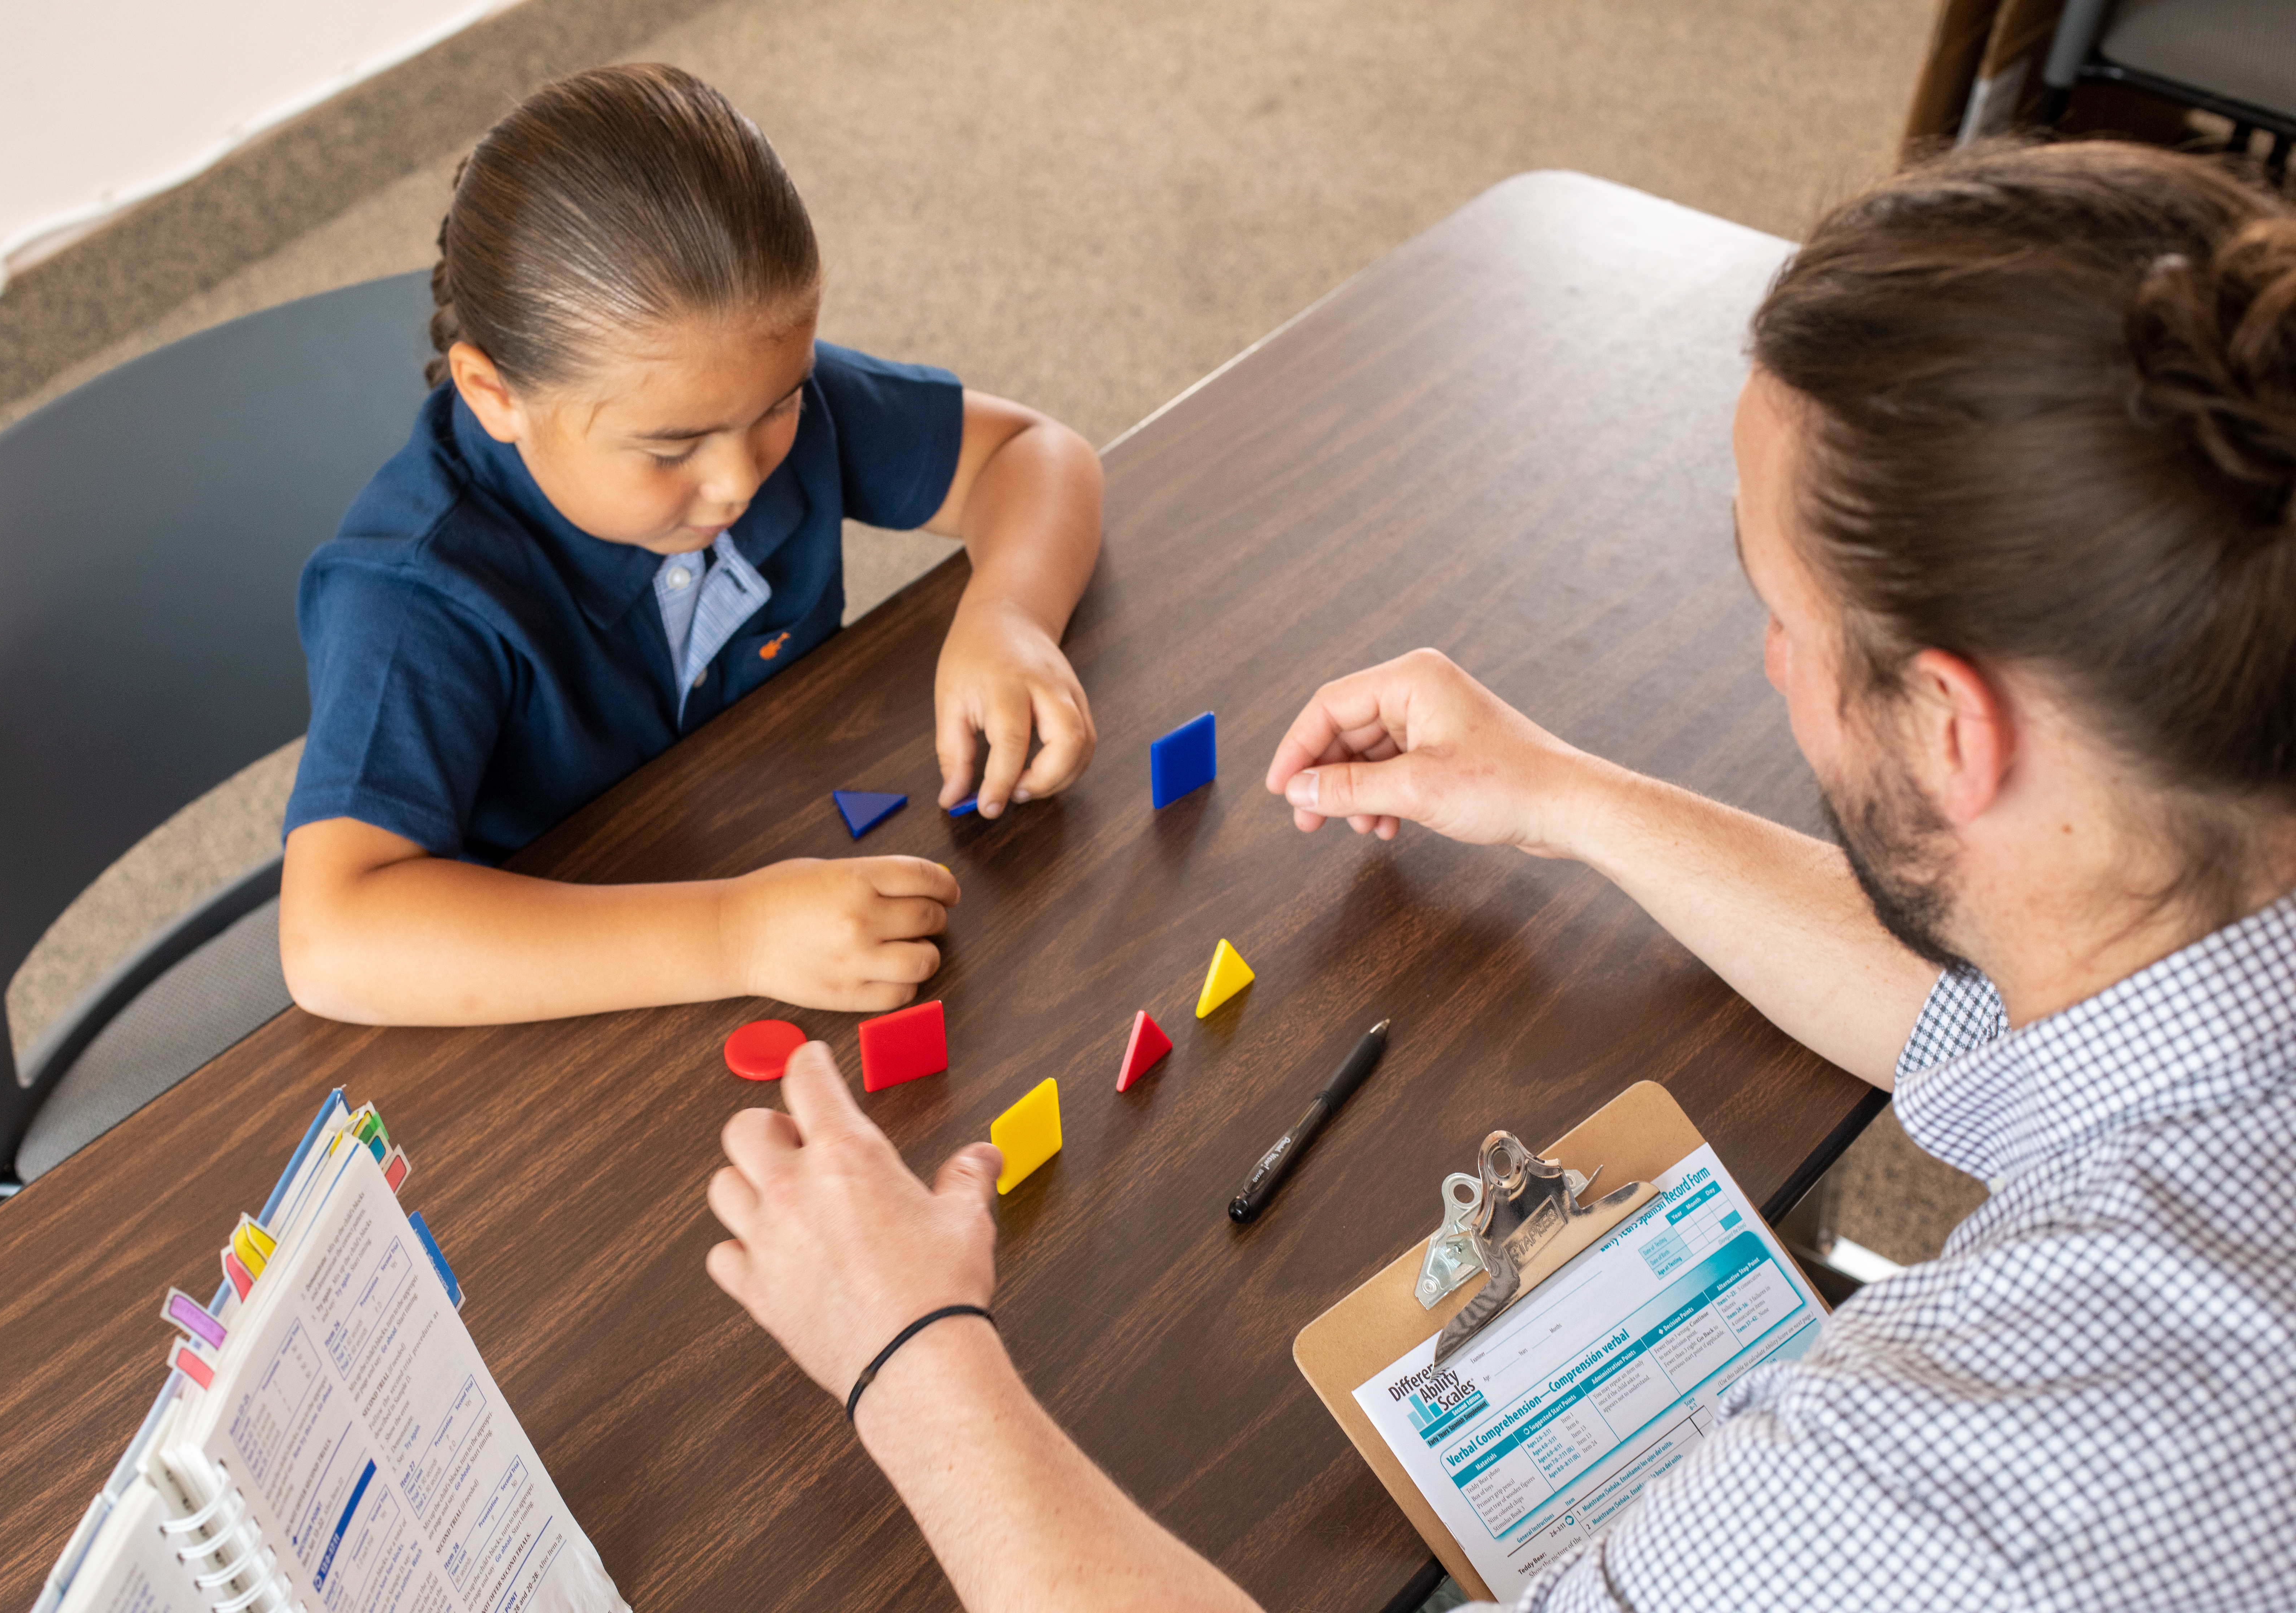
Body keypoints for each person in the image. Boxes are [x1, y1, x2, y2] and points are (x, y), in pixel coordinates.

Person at [704, 138, 2296, 1611]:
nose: (1767, 661)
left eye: (1779, 613)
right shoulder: (2201, 923)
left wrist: (909, 1353)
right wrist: (1561, 798)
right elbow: (2006, 1036)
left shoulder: (1966, 1474)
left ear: (1956, 726)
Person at [278, 65, 1103, 1025]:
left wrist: (1008, 614)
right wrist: (733, 934)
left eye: (781, 404)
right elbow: (332, 941)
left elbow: (1035, 453)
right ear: (495, 395)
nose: (740, 479)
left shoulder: (728, 396)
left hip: (757, 856)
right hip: (558, 1000)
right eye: (671, 449)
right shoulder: (413, 597)